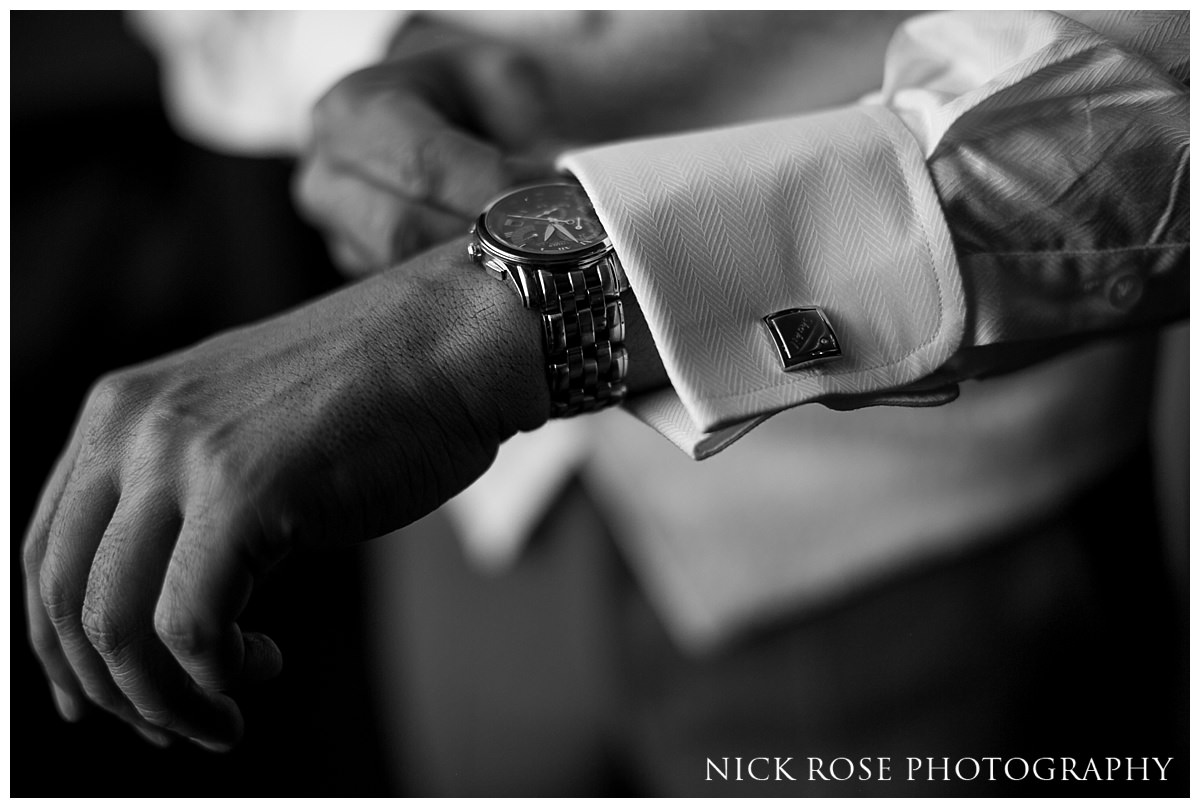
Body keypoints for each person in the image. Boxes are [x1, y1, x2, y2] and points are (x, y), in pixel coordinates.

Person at [22, 10, 1187, 795]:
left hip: (911, 517)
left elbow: (1160, 96)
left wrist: (505, 318)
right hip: (458, 529)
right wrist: (365, 37)